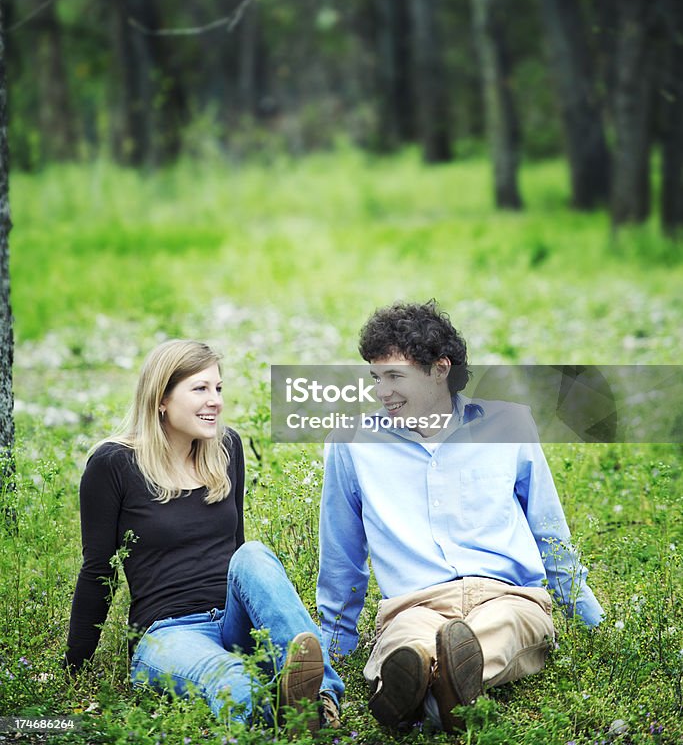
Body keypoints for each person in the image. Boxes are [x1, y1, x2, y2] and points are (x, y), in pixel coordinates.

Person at [316, 302, 603, 733]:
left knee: (503, 629)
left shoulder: (509, 425)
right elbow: (342, 554)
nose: (381, 391)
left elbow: (550, 533)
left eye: (395, 377)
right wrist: (334, 647)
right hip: (414, 604)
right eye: (376, 377)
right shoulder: (352, 443)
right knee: (406, 642)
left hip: (507, 598)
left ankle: (422, 696)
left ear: (439, 370)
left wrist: (591, 625)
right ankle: (436, 687)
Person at [66, 339, 343, 731]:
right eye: (200, 388)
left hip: (232, 619)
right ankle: (279, 716)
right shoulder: (113, 464)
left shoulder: (226, 448)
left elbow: (237, 555)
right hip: (167, 634)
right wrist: (74, 669)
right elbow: (98, 570)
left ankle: (322, 701)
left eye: (218, 388)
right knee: (234, 682)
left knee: (253, 554)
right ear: (161, 398)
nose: (215, 400)